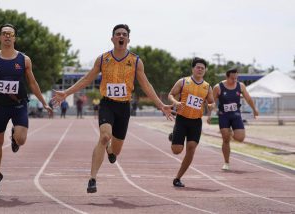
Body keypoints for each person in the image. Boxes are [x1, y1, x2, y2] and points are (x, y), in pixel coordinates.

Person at [52, 24, 173, 193]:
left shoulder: (136, 61)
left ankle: (110, 149)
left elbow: (146, 85)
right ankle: (92, 179)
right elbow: (87, 79)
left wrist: (161, 105)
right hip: (107, 104)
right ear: (112, 38)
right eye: (118, 34)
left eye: (124, 34)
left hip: (124, 107)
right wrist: (66, 92)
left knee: (116, 150)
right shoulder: (102, 59)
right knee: (104, 136)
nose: (121, 36)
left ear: (128, 40)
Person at [0, 24, 52, 195]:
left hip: (18, 105)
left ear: (15, 38)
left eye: (10, 34)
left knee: (21, 139)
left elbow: (32, 83)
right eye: (4, 34)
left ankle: (14, 136)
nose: (7, 36)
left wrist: (44, 102)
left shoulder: (24, 59)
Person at [168, 57, 214, 187]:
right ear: (193, 69)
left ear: (205, 70)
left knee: (191, 148)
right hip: (182, 119)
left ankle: (178, 178)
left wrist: (210, 108)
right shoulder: (183, 82)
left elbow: (211, 102)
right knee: (177, 150)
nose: (200, 70)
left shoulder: (207, 87)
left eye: (202, 68)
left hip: (196, 122)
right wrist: (176, 102)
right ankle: (173, 137)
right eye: (198, 67)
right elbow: (170, 94)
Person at [213, 67, 259, 171]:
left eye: (236, 78)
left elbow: (248, 98)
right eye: (232, 78)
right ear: (227, 77)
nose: (234, 80)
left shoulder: (240, 86)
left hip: (236, 115)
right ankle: (226, 162)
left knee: (240, 138)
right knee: (225, 139)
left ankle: (230, 134)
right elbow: (211, 101)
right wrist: (210, 114)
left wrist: (254, 109)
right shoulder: (218, 87)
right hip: (223, 115)